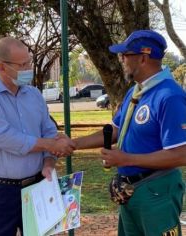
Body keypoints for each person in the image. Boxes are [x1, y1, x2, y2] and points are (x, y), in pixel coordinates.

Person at [70, 30, 186, 236]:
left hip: (156, 192)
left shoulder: (169, 96)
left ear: (143, 57)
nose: (121, 59)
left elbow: (181, 154)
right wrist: (74, 144)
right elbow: (116, 130)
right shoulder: (135, 92)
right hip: (130, 191)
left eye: (125, 55)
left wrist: (125, 159)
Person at [0, 37, 75, 236]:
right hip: (0, 192)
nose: (29, 68)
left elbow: (49, 130)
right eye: (23, 64)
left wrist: (49, 163)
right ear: (2, 67)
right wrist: (50, 144)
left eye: (29, 62)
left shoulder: (34, 94)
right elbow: (4, 137)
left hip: (37, 186)